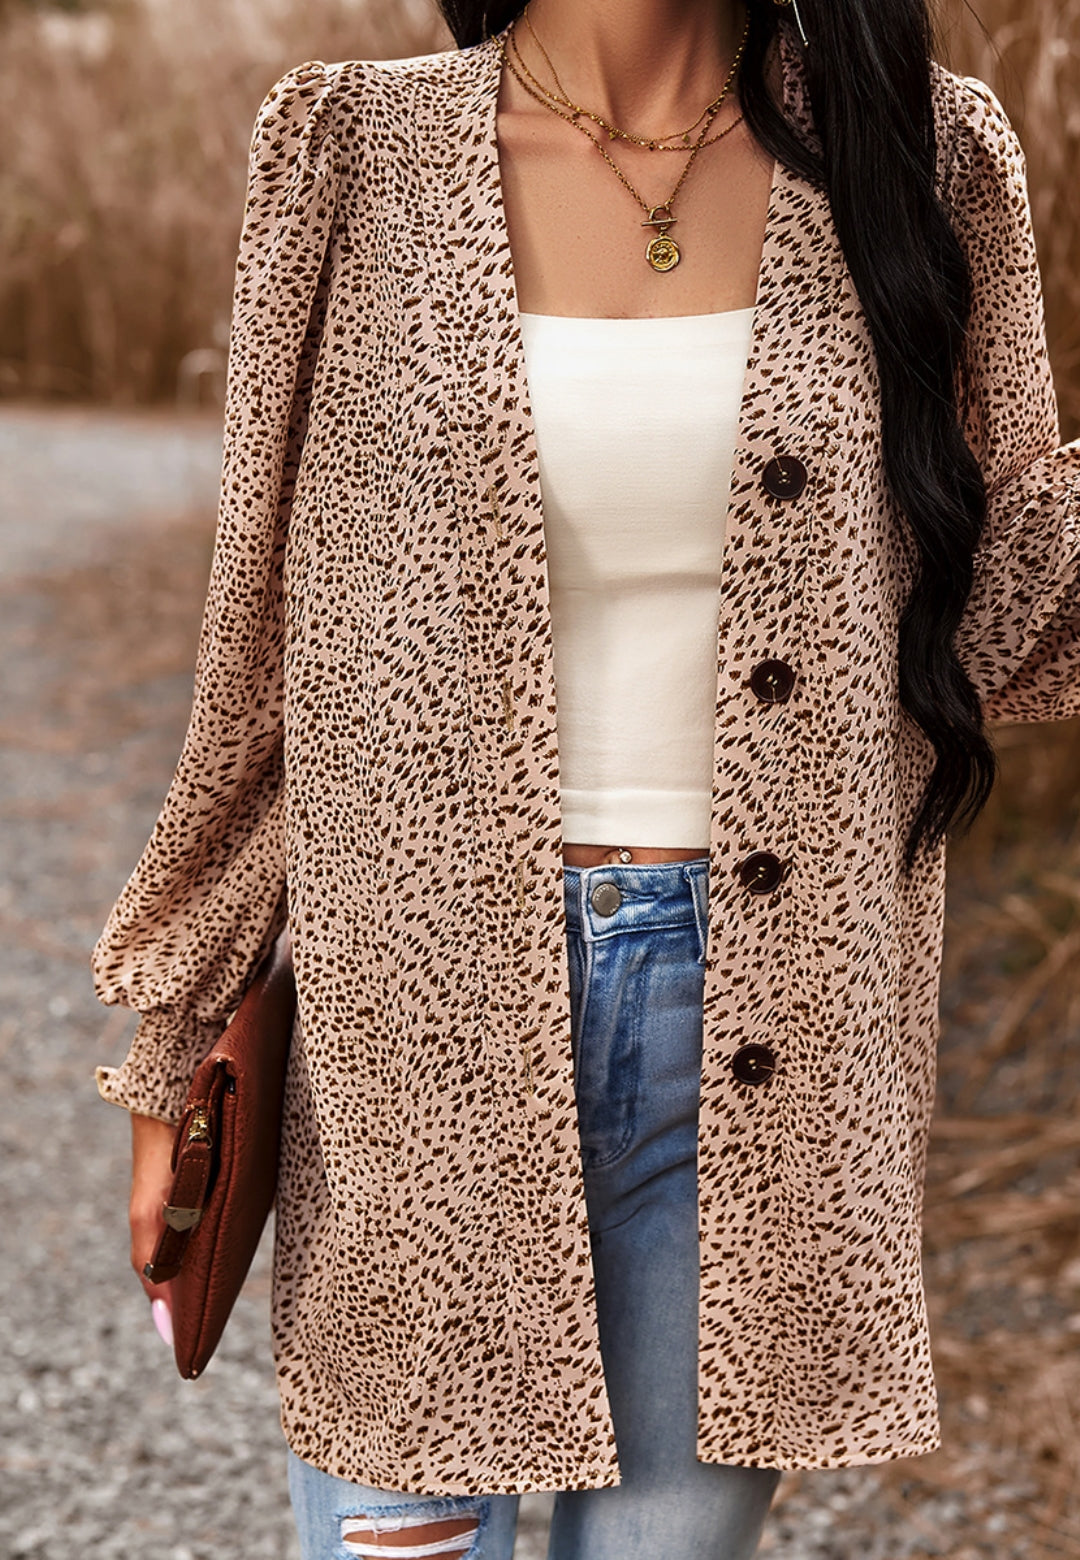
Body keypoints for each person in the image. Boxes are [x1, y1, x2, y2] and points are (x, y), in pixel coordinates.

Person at [90, 0, 1080, 1556]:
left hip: (772, 1040)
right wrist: (179, 1033)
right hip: (418, 1039)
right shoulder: (351, 152)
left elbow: (1022, 613)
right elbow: (264, 653)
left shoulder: (926, 155)